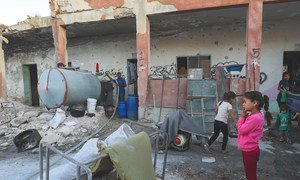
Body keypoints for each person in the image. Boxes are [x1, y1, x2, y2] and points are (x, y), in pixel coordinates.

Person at [237, 91, 264, 180]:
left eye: (245, 101)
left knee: (251, 175)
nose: (243, 104)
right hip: (250, 148)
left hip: (249, 151)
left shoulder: (255, 118)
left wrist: (241, 117)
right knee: (250, 171)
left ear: (254, 103)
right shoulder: (254, 115)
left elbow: (240, 130)